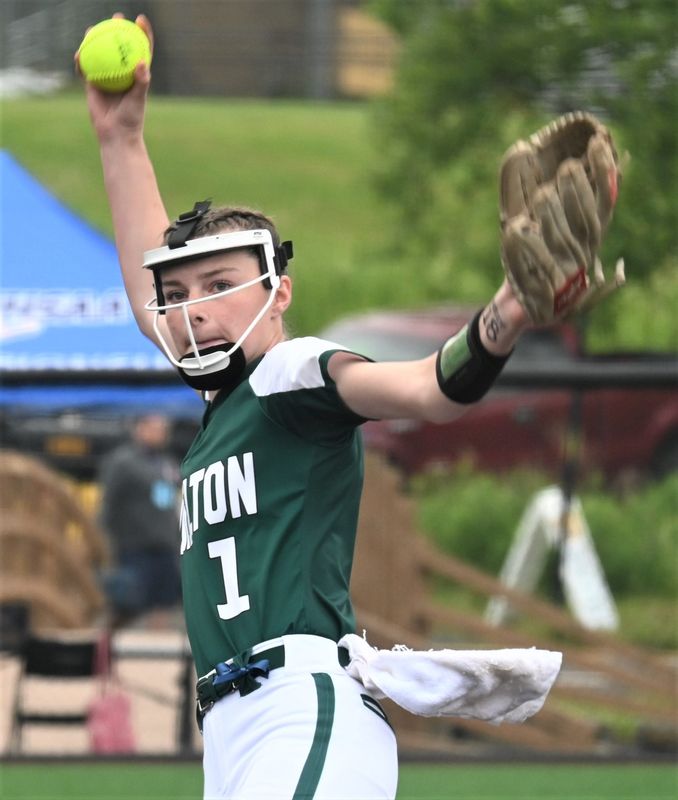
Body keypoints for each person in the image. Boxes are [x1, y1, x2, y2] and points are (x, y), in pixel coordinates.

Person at [78, 15, 610, 799]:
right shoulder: (222, 410)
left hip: (304, 708)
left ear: (278, 291)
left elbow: (429, 389)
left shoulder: (291, 372)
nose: (195, 308)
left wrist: (509, 311)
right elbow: (143, 293)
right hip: (229, 732)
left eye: (222, 285)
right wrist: (120, 140)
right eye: (183, 295)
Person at [99, 412, 182, 628]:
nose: (160, 434)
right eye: (155, 428)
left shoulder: (167, 463)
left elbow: (172, 501)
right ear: (140, 428)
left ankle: (156, 654)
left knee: (164, 602)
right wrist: (105, 543)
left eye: (163, 429)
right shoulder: (122, 462)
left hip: (164, 545)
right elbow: (108, 504)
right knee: (128, 605)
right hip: (134, 548)